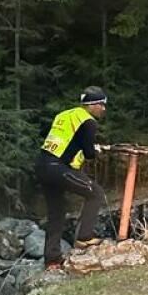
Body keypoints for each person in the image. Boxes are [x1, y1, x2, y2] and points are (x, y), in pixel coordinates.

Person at [35, 86, 108, 270]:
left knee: (57, 212)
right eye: (102, 104)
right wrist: (96, 149)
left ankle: (52, 260)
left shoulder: (64, 115)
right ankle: (85, 237)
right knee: (96, 193)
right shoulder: (88, 121)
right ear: (92, 105)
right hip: (58, 167)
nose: (104, 109)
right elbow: (89, 153)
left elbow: (67, 141)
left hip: (43, 165)